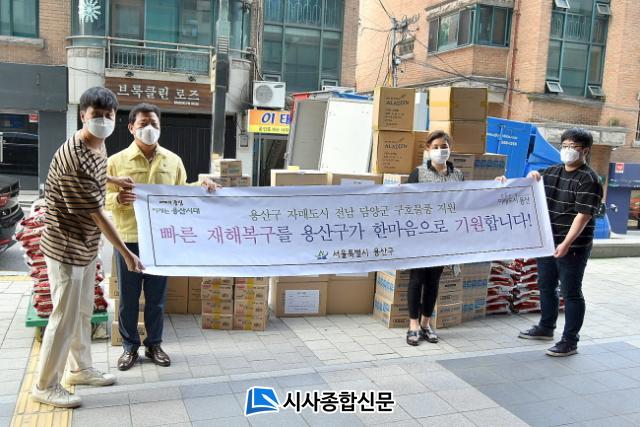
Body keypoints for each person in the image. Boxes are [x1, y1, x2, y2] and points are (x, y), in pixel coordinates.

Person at [32, 87, 144, 408]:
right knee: (63, 318)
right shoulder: (74, 159)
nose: (103, 121)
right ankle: (45, 385)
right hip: (66, 248)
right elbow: (98, 213)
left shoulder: (96, 143)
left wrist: (114, 180)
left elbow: (96, 173)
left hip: (83, 244)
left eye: (109, 115)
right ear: (83, 116)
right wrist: (127, 254)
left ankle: (80, 369)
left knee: (82, 312)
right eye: (96, 115)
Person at [106, 103, 219, 371]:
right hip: (129, 239)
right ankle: (129, 348)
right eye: (143, 124)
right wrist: (118, 199)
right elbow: (102, 198)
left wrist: (202, 187)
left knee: (156, 299)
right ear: (131, 127)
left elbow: (181, 193)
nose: (149, 128)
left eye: (154, 124)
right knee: (129, 298)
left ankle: (154, 345)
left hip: (161, 240)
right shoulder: (116, 161)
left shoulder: (173, 160)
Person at [507, 128, 602, 357]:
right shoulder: (553, 172)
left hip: (573, 247)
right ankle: (546, 327)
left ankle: (570, 341)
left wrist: (566, 243)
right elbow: (532, 181)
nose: (568, 150)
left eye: (574, 147)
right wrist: (531, 177)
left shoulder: (589, 179)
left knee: (570, 292)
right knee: (546, 285)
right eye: (565, 146)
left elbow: (583, 216)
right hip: (548, 242)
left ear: (585, 151)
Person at [405, 131, 464, 346]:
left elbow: (465, 202)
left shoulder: (458, 175)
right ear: (428, 149)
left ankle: (426, 323)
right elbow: (406, 204)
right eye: (436, 147)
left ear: (450, 148)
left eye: (444, 146)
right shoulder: (418, 173)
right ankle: (413, 325)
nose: (440, 150)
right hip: (420, 237)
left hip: (444, 238)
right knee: (416, 280)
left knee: (433, 281)